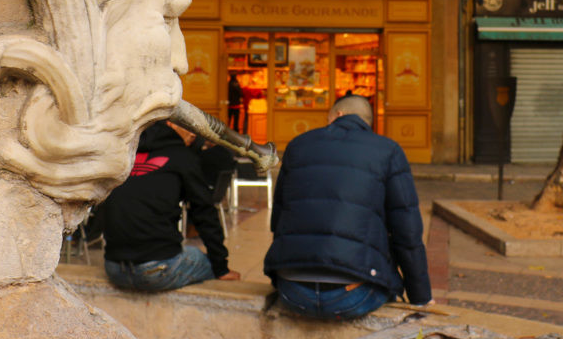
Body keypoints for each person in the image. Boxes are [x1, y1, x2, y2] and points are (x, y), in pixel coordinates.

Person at [263, 94, 432, 320]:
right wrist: (420, 297)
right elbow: (407, 232)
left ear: (338, 115)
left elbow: (278, 220)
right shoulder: (388, 150)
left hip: (292, 291)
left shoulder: (297, 145)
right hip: (355, 294)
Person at [93, 120, 241, 291]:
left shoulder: (123, 154)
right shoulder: (182, 157)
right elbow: (204, 211)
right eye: (187, 125)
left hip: (114, 268)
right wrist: (221, 267)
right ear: (170, 124)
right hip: (158, 269)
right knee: (205, 261)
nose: (193, 133)